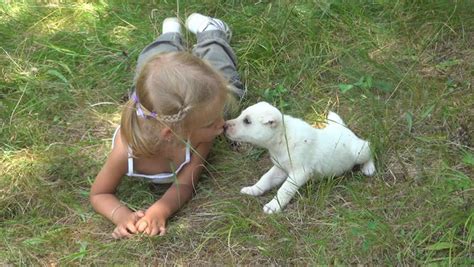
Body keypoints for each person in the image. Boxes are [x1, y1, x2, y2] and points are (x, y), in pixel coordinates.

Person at [90, 13, 245, 239]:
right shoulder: (125, 151)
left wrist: (161, 209)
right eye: (211, 122)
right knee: (154, 71)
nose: (223, 125)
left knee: (226, 85)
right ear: (172, 133)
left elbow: (185, 184)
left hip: (173, 107)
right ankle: (169, 36)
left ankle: (210, 33)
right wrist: (121, 216)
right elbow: (100, 193)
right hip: (162, 103)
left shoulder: (200, 137)